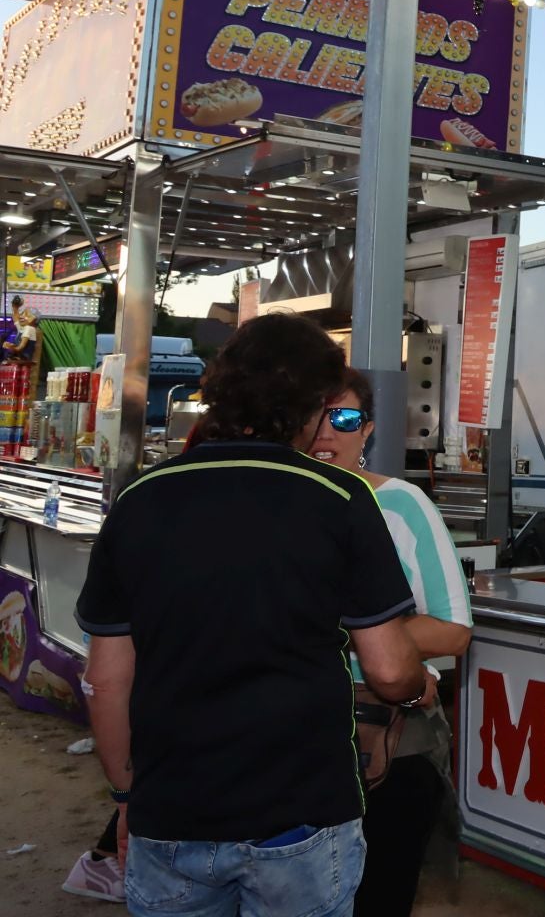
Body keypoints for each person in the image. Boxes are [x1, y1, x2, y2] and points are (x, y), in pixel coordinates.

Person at [75, 313, 428, 917]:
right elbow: (391, 672)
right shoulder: (341, 499)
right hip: (301, 810)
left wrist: (128, 796)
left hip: (172, 809)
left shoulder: (139, 500)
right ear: (316, 406)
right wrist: (420, 687)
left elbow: (106, 680)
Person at [307, 369, 473, 917]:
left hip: (388, 740)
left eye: (346, 418)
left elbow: (452, 629)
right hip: (288, 741)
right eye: (315, 414)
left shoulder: (401, 506)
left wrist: (357, 640)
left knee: (379, 893)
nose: (328, 431)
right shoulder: (276, 508)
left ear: (368, 430)